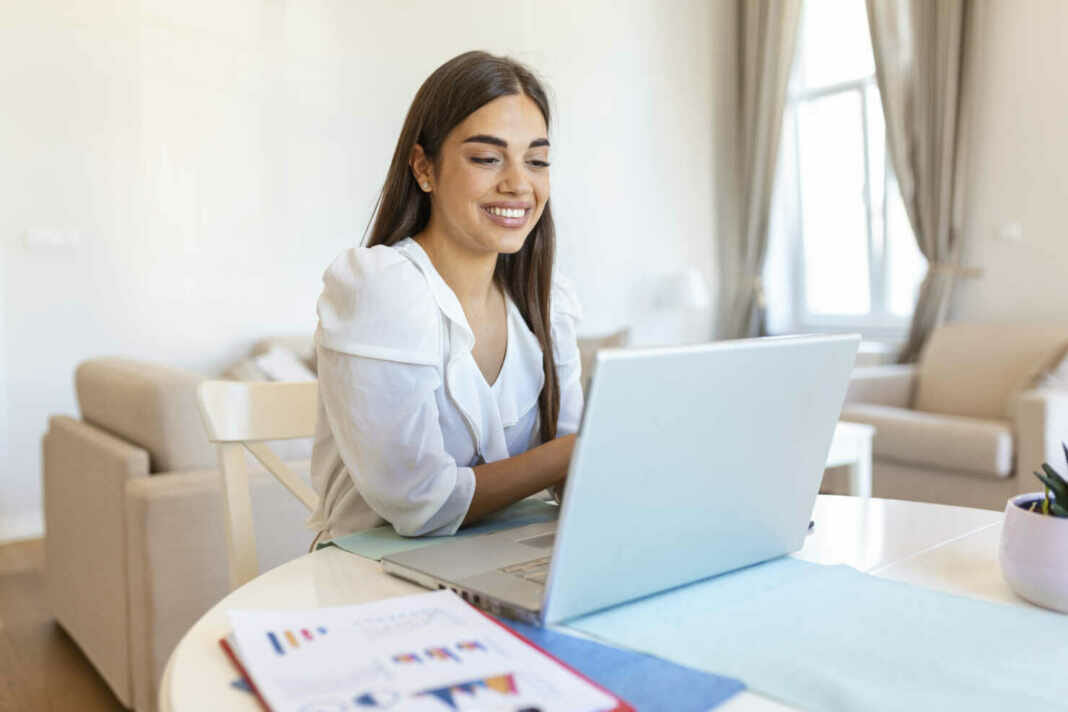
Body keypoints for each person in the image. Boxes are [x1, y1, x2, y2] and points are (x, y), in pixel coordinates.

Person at [307, 51, 583, 540]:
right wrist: (576, 451)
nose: (519, 184)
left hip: (495, 565)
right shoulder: (381, 289)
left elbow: (575, 477)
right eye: (486, 158)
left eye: (536, 161)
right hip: (371, 584)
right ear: (423, 168)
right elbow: (421, 502)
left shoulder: (545, 300)